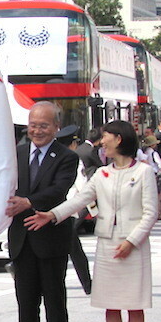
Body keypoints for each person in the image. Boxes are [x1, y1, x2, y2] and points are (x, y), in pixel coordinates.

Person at [28, 121, 158, 322]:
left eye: (106, 136)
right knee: (111, 306)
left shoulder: (144, 172)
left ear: (119, 139)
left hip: (133, 246)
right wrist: (52, 215)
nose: (102, 142)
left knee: (134, 305)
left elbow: (151, 212)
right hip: (108, 245)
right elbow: (79, 200)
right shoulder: (101, 174)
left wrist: (131, 241)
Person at [5, 101, 78, 322]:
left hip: (51, 240)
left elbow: (60, 189)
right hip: (22, 239)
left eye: (43, 125)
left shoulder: (66, 157)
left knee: (55, 304)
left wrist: (29, 202)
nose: (37, 130)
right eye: (33, 124)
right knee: (26, 304)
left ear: (56, 128)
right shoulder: (16, 154)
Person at [55, 125, 93, 295]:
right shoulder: (72, 160)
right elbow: (83, 186)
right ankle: (87, 284)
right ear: (72, 145)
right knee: (74, 250)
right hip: (67, 210)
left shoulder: (51, 158)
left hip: (50, 210)